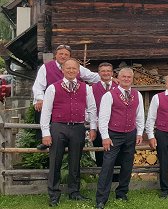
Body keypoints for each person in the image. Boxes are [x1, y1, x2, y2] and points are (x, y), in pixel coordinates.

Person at [39, 58, 98, 207]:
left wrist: (92, 128)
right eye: (68, 68)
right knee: (55, 161)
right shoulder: (53, 88)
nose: (71, 71)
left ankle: (74, 192)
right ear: (63, 70)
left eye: (74, 69)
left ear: (78, 71)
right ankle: (53, 194)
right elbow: (46, 112)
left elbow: (92, 109)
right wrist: (45, 133)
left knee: (75, 161)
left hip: (78, 127)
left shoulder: (86, 88)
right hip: (58, 127)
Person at [33, 44, 100, 150]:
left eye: (66, 54)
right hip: (53, 100)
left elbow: (92, 76)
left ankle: (70, 139)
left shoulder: (75, 67)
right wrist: (39, 98)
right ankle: (44, 138)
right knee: (41, 107)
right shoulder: (46, 67)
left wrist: (109, 78)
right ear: (56, 55)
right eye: (61, 54)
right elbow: (38, 86)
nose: (63, 56)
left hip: (70, 99)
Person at [95, 68, 145, 209]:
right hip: (114, 134)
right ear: (118, 77)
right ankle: (101, 198)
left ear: (132, 79)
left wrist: (139, 132)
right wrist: (105, 136)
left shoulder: (137, 94)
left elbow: (140, 115)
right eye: (124, 76)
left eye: (129, 77)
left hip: (130, 134)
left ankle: (122, 193)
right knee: (108, 165)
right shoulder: (109, 95)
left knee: (127, 165)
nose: (126, 79)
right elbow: (103, 118)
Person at [91, 62, 117, 168]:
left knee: (116, 155)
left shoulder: (119, 87)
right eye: (103, 71)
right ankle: (101, 181)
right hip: (99, 127)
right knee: (100, 154)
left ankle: (116, 181)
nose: (106, 73)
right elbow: (89, 108)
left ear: (112, 73)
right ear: (99, 73)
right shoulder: (92, 88)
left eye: (108, 71)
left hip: (116, 127)